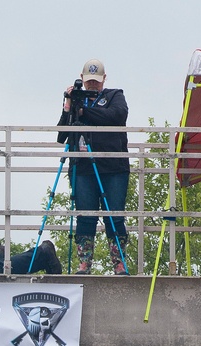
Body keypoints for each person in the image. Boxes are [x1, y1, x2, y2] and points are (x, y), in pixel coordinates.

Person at [58, 59, 130, 275]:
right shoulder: (77, 101)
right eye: (89, 81)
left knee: (114, 215)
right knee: (85, 215)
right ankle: (84, 264)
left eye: (96, 81)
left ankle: (119, 263)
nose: (92, 85)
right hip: (82, 167)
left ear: (104, 79)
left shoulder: (114, 95)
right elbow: (62, 135)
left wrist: (84, 113)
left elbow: (117, 116)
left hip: (113, 167)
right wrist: (69, 107)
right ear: (82, 78)